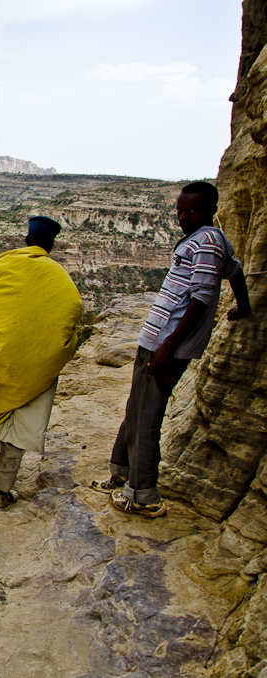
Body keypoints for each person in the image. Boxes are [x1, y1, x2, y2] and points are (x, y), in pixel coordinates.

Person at [94, 181, 251, 518]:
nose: (183, 216)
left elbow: (202, 297)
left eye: (191, 210)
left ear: (210, 210)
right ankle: (121, 473)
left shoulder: (207, 242)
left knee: (147, 417)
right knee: (135, 408)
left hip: (166, 347)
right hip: (155, 342)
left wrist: (169, 346)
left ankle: (143, 497)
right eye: (179, 209)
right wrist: (243, 307)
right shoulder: (209, 240)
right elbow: (235, 272)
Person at [0, 216, 83, 508]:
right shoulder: (59, 277)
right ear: (51, 244)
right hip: (36, 366)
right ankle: (1, 490)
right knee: (22, 424)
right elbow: (72, 315)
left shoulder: (2, 265)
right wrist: (51, 351)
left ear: (27, 239)